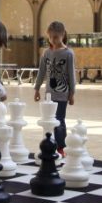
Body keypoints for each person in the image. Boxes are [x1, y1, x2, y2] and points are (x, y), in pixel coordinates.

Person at [34, 21, 76, 157]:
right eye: (50, 37)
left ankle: (61, 147)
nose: (53, 40)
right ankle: (51, 145)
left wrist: (72, 94)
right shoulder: (46, 53)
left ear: (63, 35)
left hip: (62, 95)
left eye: (56, 37)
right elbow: (41, 72)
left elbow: (71, 75)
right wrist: (37, 89)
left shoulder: (68, 54)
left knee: (59, 120)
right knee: (49, 120)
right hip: (49, 96)